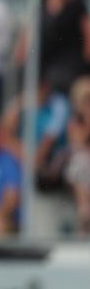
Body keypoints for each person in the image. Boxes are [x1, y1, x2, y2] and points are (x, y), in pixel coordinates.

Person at [65, 76, 90, 233]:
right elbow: (79, 143)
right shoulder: (74, 123)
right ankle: (84, 210)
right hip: (82, 167)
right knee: (80, 162)